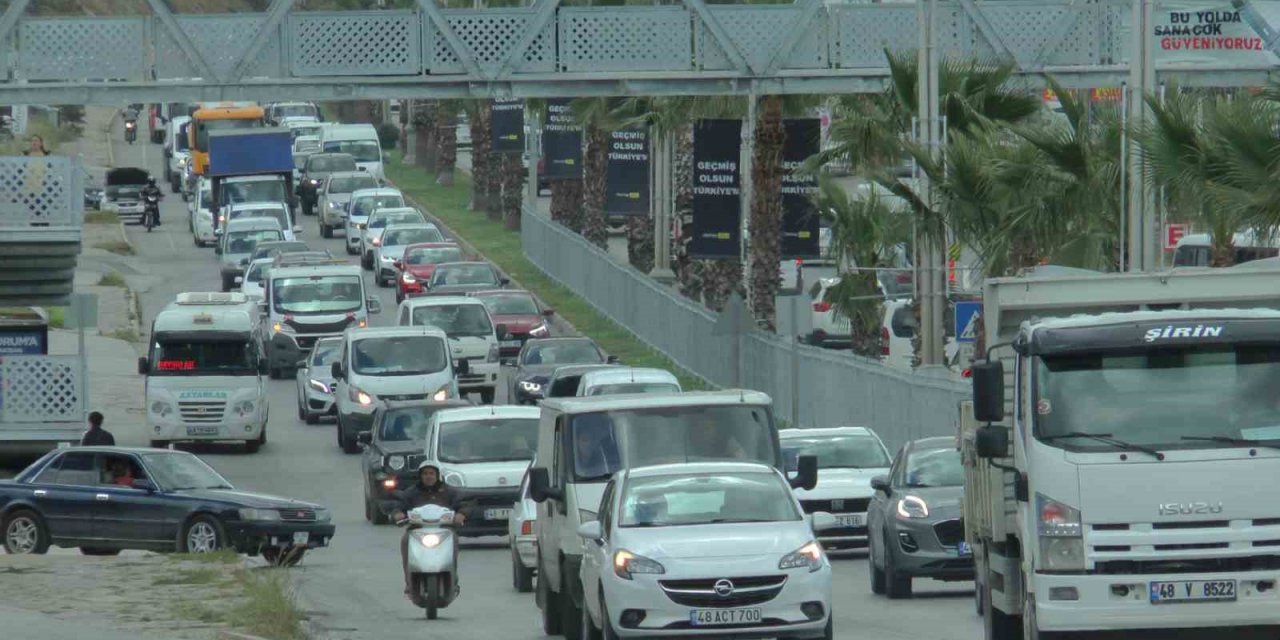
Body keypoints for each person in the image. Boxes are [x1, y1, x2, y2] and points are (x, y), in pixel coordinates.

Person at [391, 463, 467, 600]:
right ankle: (409, 582)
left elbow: (463, 504)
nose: (428, 476)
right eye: (425, 474)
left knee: (454, 540)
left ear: (437, 475)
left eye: (431, 473)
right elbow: (398, 506)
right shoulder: (411, 492)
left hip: (444, 529)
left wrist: (461, 514)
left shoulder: (449, 491)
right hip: (417, 530)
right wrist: (397, 514)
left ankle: (452, 577)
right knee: (405, 540)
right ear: (420, 476)